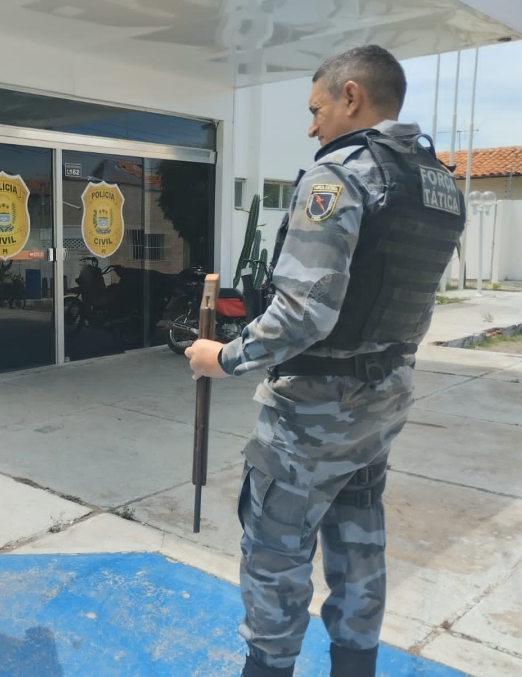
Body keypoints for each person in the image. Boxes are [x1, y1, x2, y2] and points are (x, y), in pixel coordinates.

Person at [185, 45, 465, 677]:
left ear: (351, 97)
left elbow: (304, 314)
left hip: (313, 414)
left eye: (316, 110)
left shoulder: (339, 176)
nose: (312, 127)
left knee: (275, 556)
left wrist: (222, 357)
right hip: (382, 401)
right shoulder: (439, 184)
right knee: (358, 544)